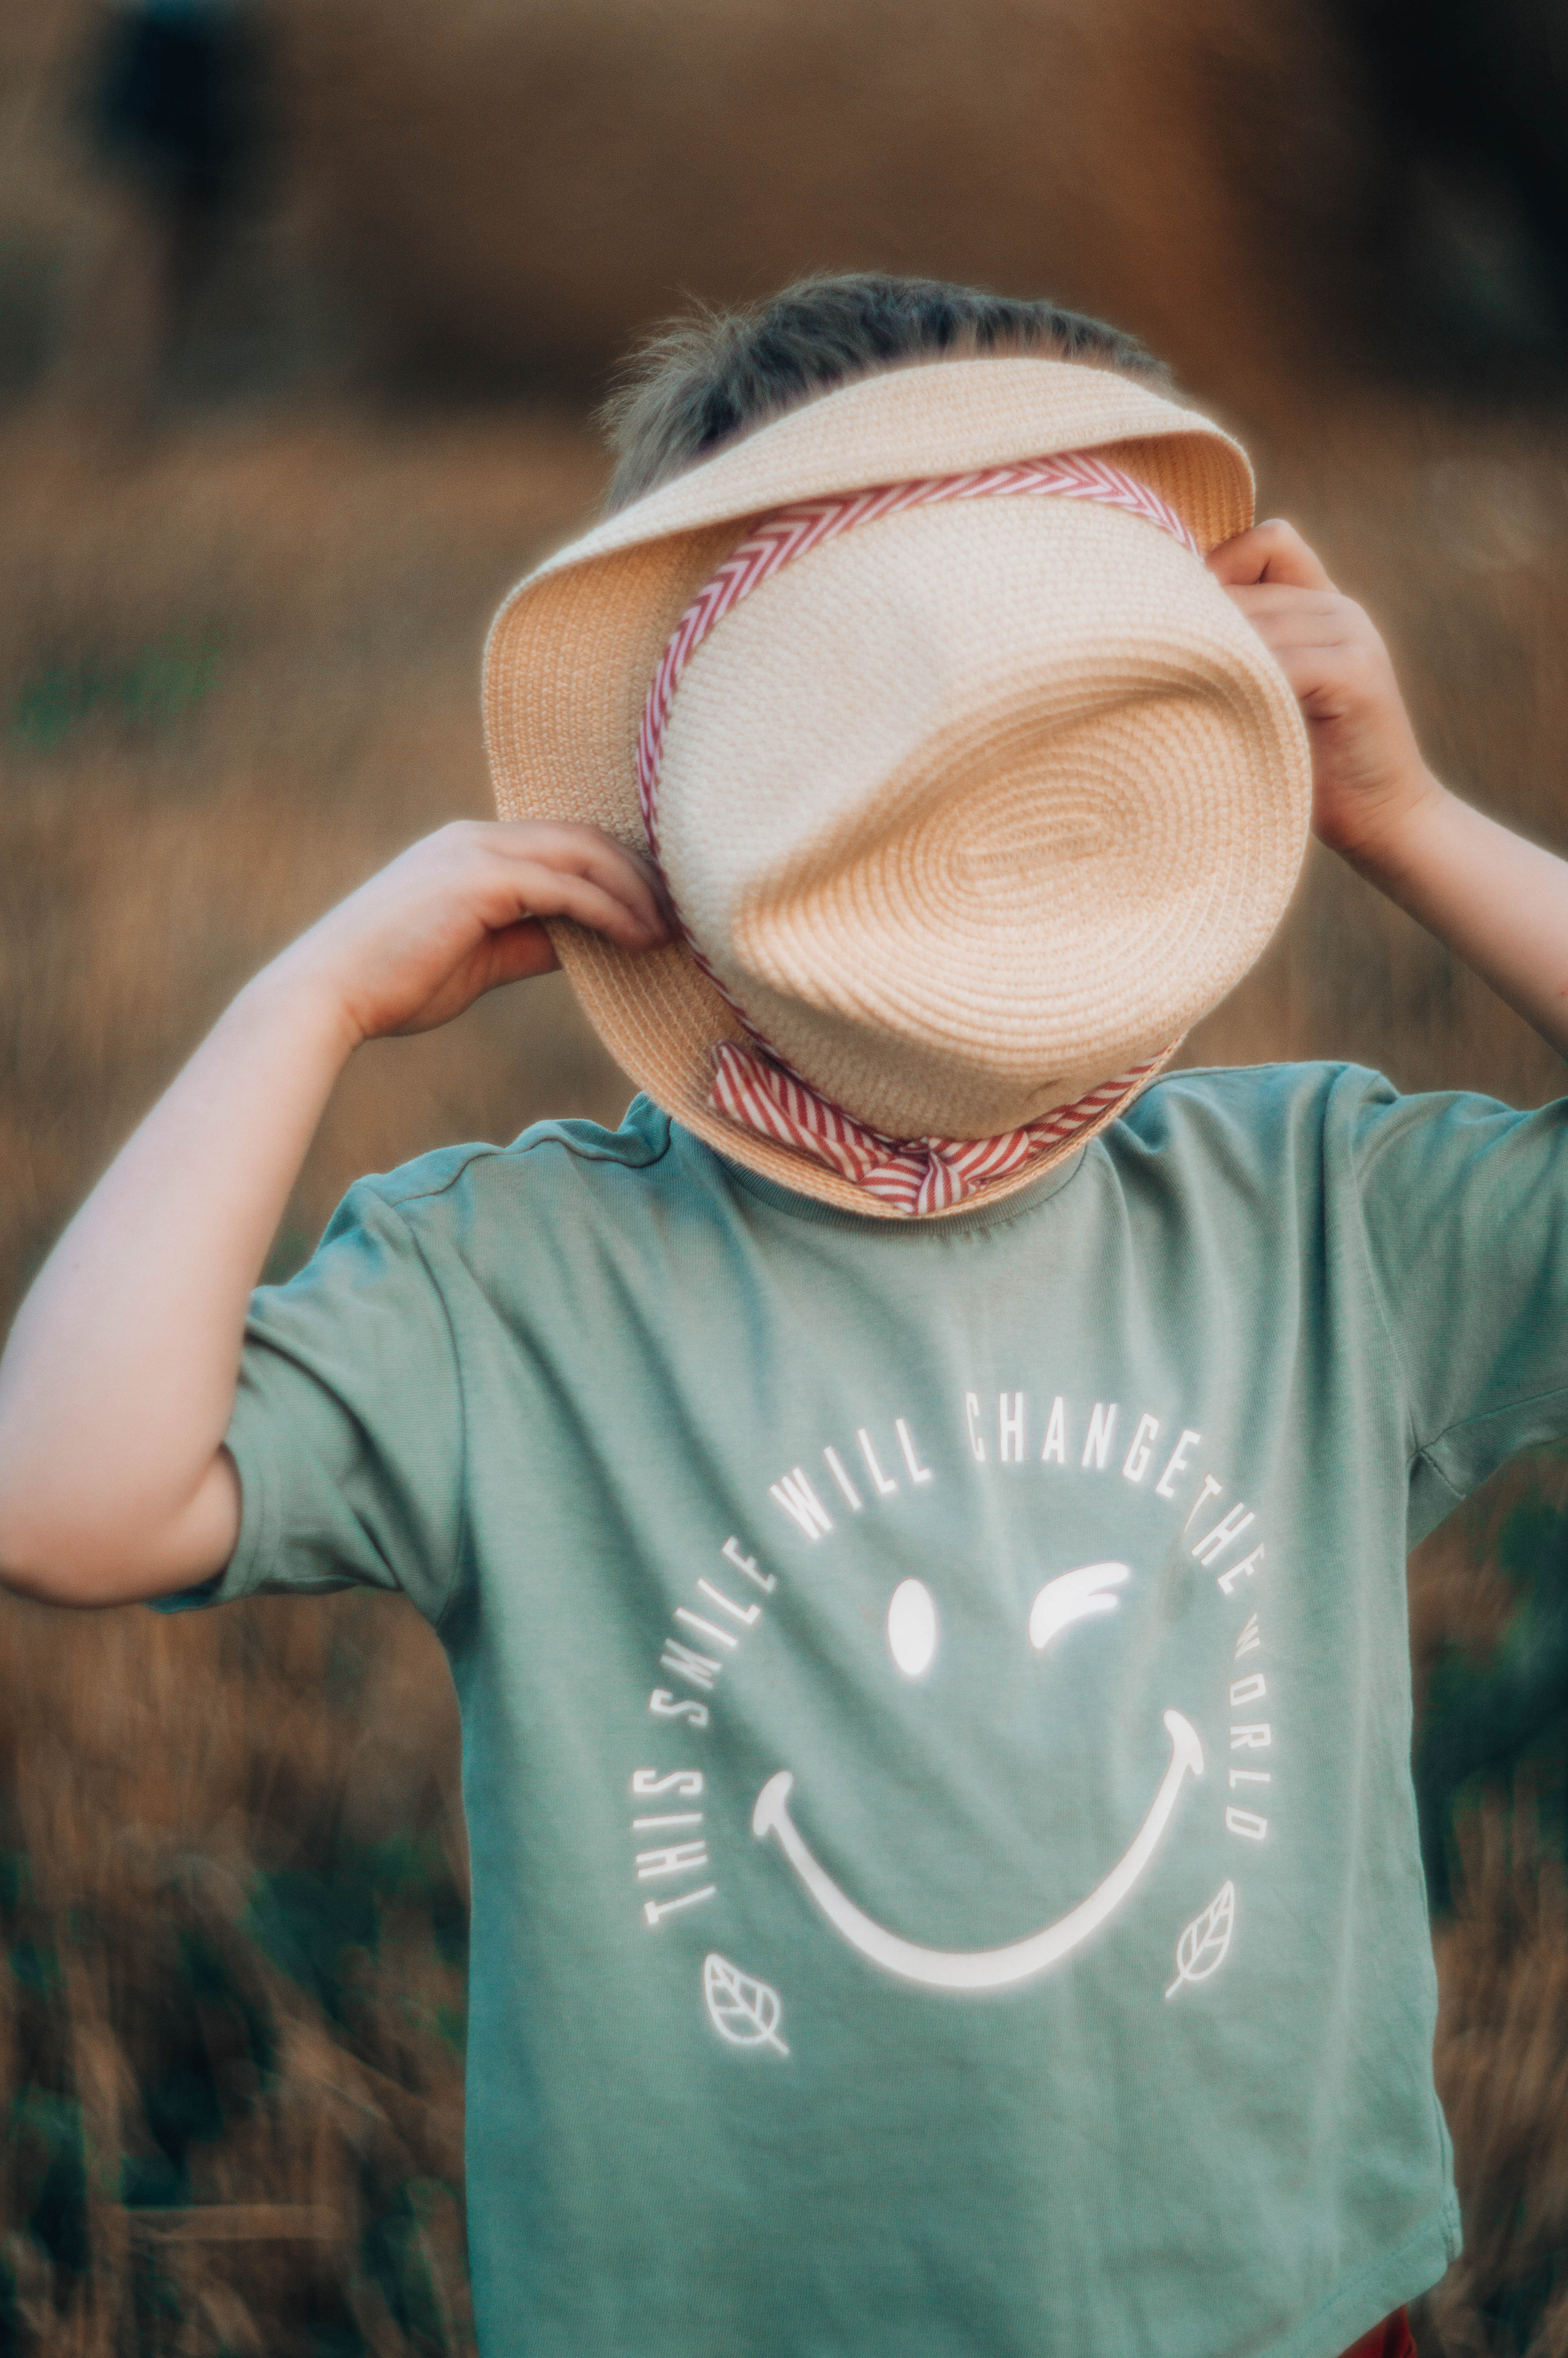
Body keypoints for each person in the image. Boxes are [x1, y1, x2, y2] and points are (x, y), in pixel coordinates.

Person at [1, 270, 1565, 2358]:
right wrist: (308, 1000)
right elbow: (63, 1500)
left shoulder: (1314, 1215)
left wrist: (1412, 818)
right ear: (685, 793)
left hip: (1280, 2311)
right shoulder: (522, 1282)